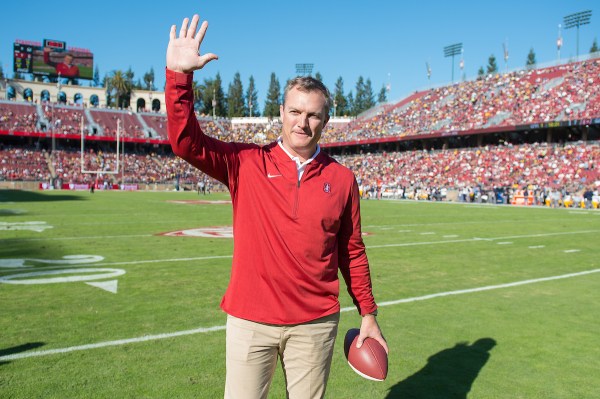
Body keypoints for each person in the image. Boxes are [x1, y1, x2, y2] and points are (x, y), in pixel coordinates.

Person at [165, 14, 387, 399]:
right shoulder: (246, 162)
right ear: (281, 113)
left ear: (326, 120)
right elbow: (187, 143)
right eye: (296, 112)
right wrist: (178, 77)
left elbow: (352, 251)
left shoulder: (344, 180)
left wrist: (368, 314)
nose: (303, 122)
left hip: (315, 324)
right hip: (251, 320)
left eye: (313, 114)